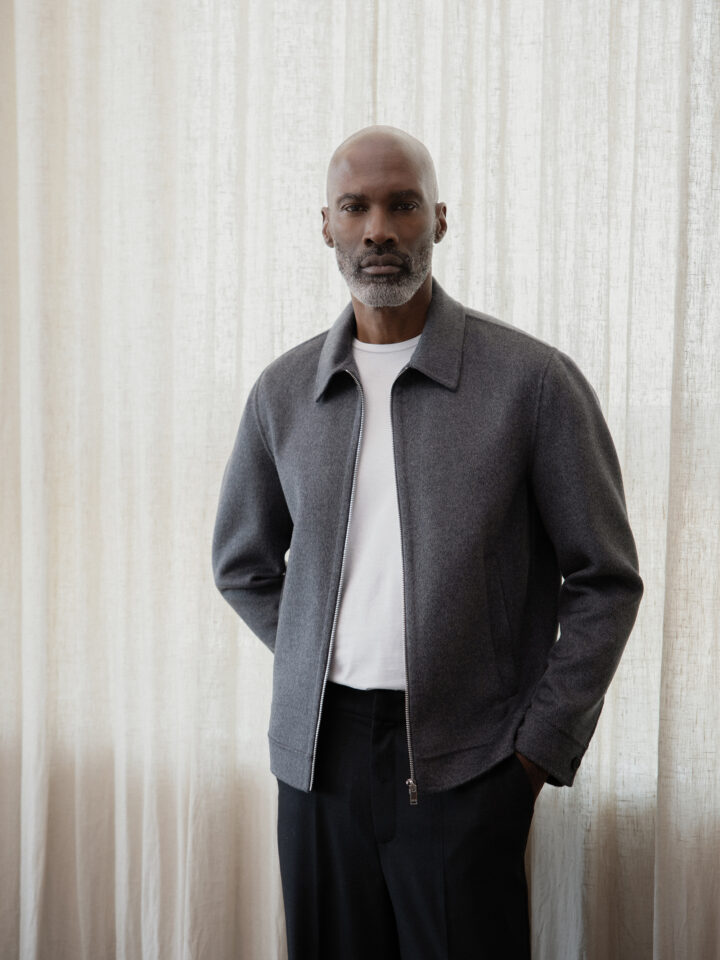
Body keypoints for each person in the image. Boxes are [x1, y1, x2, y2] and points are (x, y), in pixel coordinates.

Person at [211, 125, 643, 959]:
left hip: (468, 761)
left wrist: (534, 753)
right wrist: (311, 650)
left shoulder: (532, 383)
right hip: (316, 759)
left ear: (439, 219)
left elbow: (605, 581)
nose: (378, 229)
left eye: (402, 205)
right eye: (355, 207)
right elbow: (243, 565)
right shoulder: (284, 392)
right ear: (326, 225)